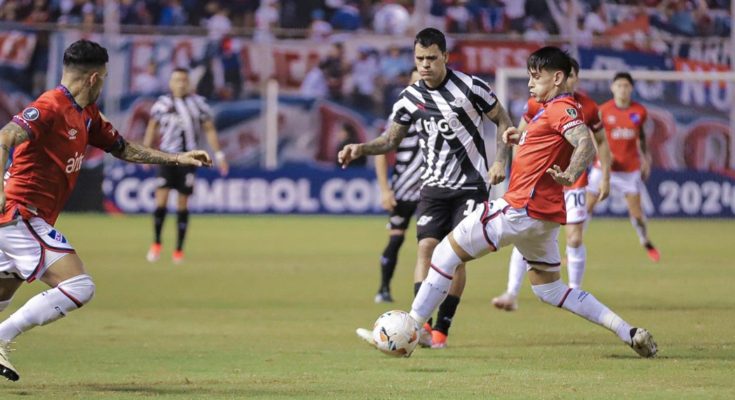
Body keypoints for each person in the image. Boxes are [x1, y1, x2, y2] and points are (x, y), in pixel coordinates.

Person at [404, 46, 657, 358]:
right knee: (551, 290)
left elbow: (585, 145)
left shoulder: (561, 107)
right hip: (543, 218)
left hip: (520, 208)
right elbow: (550, 143)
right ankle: (628, 331)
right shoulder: (546, 109)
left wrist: (571, 172)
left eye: (537, 77)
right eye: (529, 76)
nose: (530, 83)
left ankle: (410, 330)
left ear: (558, 77)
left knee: (443, 253)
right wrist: (519, 139)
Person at [0, 39, 212, 381]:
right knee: (79, 286)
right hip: (21, 214)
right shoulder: (50, 106)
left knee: (2, 291)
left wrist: (177, 158)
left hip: (18, 221)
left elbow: (124, 148)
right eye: (106, 77)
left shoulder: (87, 115)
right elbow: (5, 137)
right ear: (95, 78)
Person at [341, 28, 513, 349]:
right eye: (419, 58)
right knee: (425, 249)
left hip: (471, 185)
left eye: (432, 58)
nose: (425, 64)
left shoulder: (472, 87)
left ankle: (441, 330)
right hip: (432, 186)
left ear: (445, 57)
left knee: (455, 256)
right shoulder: (409, 97)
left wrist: (501, 161)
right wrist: (361, 148)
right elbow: (390, 140)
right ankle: (420, 328)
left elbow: (504, 121)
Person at [491, 58, 613, 311]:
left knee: (575, 238)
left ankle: (576, 293)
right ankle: (511, 293)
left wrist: (606, 177)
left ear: (574, 77)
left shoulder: (588, 106)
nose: (569, 81)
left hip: (574, 179)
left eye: (572, 76)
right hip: (542, 183)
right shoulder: (537, 102)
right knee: (524, 233)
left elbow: (599, 142)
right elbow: (523, 135)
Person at [143, 68, 229, 265]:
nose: (180, 83)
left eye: (184, 80)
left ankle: (179, 250)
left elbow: (209, 129)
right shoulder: (161, 104)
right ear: (171, 83)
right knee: (161, 201)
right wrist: (145, 154)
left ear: (189, 83)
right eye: (176, 80)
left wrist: (220, 155)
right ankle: (156, 243)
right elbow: (152, 128)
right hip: (166, 157)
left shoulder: (198, 104)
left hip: (189, 159)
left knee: (183, 203)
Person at [586, 72, 660, 262]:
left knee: (636, 213)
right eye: (619, 85)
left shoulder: (639, 112)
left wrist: (646, 158)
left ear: (631, 88)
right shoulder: (603, 111)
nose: (622, 89)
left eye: (626, 86)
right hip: (603, 168)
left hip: (629, 169)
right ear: (612, 88)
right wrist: (601, 154)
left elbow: (641, 136)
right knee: (586, 208)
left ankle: (645, 241)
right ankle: (573, 246)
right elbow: (594, 134)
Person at [372, 69, 423, 304]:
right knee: (396, 239)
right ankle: (383, 289)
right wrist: (385, 190)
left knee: (431, 244)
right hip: (403, 188)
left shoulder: (442, 113)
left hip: (431, 190)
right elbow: (380, 152)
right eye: (415, 82)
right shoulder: (401, 116)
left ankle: (428, 297)